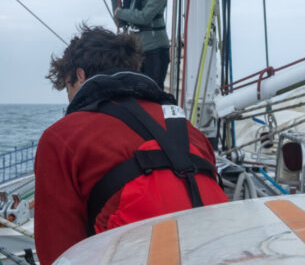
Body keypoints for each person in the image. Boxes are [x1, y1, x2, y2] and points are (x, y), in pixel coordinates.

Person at [34, 25, 227, 264]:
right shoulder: (191, 132)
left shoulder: (61, 138)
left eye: (68, 86)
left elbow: (59, 252)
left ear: (80, 76)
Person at [112, 0, 170, 89]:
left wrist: (121, 12)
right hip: (137, 50)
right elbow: (120, 22)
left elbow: (145, 17)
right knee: (137, 90)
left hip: (155, 50)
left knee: (153, 90)